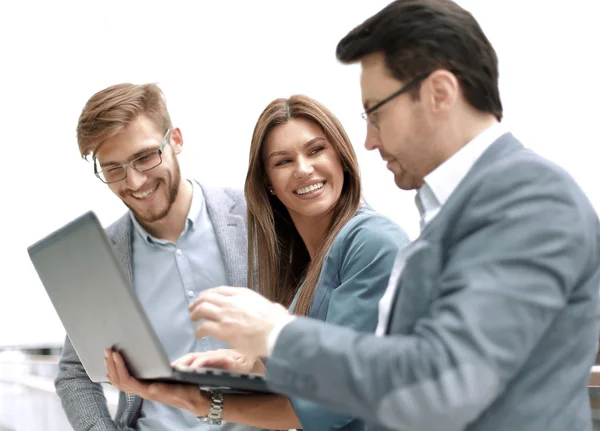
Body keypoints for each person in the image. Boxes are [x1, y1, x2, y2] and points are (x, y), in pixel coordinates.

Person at [166, 1, 600, 430]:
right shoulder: (458, 209)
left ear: (440, 93)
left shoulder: (528, 198)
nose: (369, 141)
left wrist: (278, 335)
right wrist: (254, 365)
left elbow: (441, 381)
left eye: (376, 113)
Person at [105, 94, 410, 431]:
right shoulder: (310, 260)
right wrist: (252, 366)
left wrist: (201, 402)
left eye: (316, 150)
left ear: (341, 156)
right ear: (270, 184)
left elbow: (331, 402)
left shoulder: (373, 242)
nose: (304, 169)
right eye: (283, 161)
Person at [56, 83, 259, 431]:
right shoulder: (103, 257)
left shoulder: (254, 216)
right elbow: (74, 373)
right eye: (113, 168)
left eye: (145, 156)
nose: (134, 181)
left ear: (176, 140)